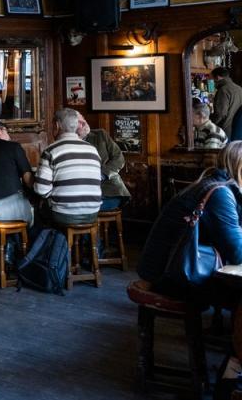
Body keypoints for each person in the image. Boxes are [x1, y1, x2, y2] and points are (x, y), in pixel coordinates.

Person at [138, 142, 242, 296]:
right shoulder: (220, 193)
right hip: (172, 276)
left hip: (162, 269)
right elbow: (237, 252)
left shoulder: (212, 183)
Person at [34, 108, 103, 226]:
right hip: (92, 213)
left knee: (38, 213)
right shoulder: (93, 150)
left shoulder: (51, 151)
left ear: (56, 125)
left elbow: (41, 190)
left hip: (63, 214)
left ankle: (53, 243)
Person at [76, 115, 130, 211]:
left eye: (83, 118)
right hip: (81, 193)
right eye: (78, 122)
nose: (83, 123)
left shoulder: (100, 135)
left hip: (109, 191)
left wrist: (102, 174)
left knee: (81, 208)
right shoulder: (66, 144)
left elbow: (119, 158)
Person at [211, 67, 242, 134]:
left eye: (213, 79)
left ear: (217, 77)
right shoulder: (239, 88)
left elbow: (220, 114)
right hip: (238, 129)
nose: (213, 82)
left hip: (226, 129)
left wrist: (209, 123)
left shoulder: (223, 90)